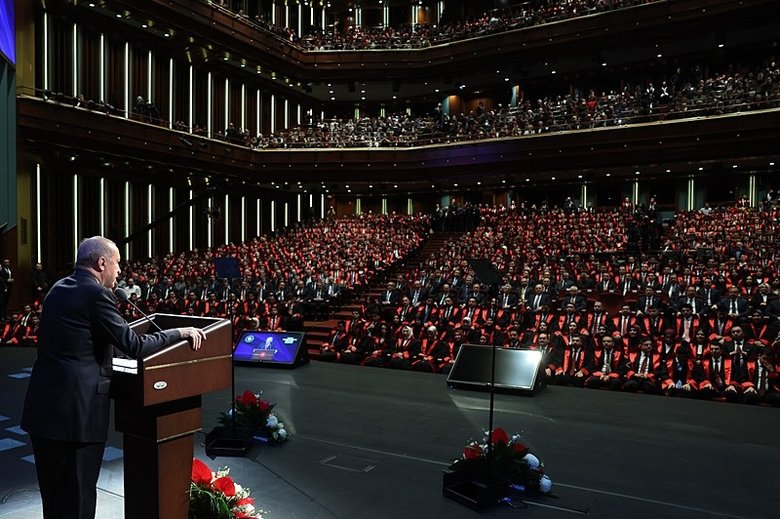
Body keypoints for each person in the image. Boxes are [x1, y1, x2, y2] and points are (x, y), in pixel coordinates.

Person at [21, 236, 207, 519]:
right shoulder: (96, 294)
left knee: (55, 499)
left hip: (44, 413)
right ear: (102, 262)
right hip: (77, 419)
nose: (120, 270)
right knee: (79, 499)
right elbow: (135, 346)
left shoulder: (57, 288)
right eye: (118, 263)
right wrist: (178, 333)